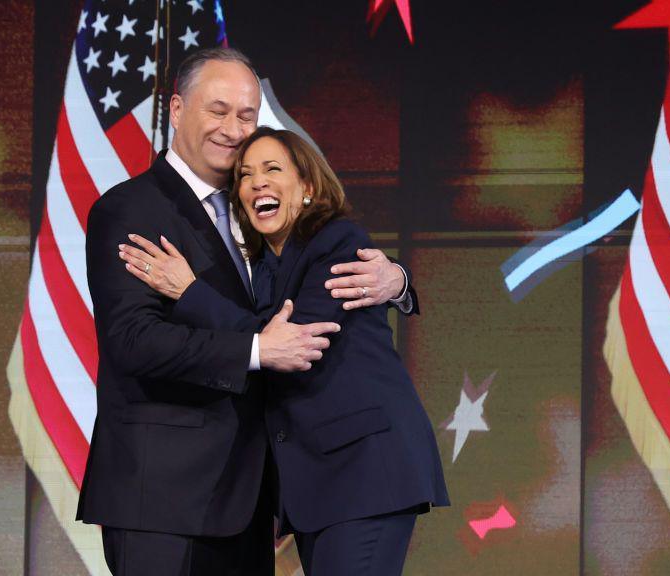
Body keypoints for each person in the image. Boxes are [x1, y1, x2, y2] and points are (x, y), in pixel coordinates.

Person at [76, 48, 417, 575]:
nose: (233, 130)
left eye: (246, 115)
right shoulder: (131, 208)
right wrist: (259, 350)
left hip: (247, 503)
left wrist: (395, 280)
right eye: (218, 110)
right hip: (163, 499)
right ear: (177, 108)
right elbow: (134, 340)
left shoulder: (257, 217)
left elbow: (315, 281)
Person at [120, 127, 449, 576]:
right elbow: (261, 340)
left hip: (365, 471)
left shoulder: (336, 239)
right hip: (323, 485)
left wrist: (190, 292)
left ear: (308, 187)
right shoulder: (264, 267)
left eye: (273, 169)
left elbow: (294, 343)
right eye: (245, 175)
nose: (256, 182)